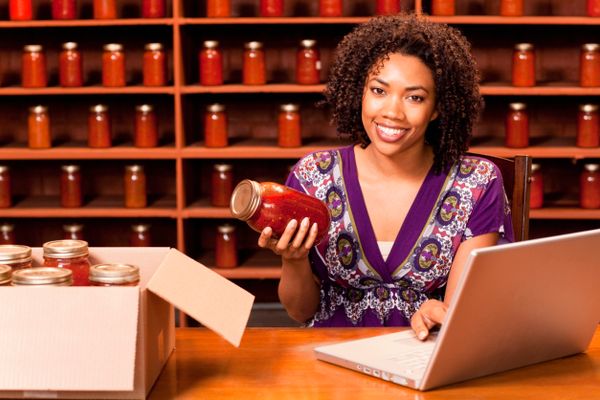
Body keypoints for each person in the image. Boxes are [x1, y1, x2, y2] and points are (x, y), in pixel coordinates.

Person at [258, 14, 513, 339]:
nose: (392, 111)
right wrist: (293, 261)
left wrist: (443, 315)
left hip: (426, 359)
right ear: (360, 92)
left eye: (415, 97)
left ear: (437, 108)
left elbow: (460, 315)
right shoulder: (312, 178)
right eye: (379, 90)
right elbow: (301, 312)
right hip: (332, 366)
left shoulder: (476, 183)